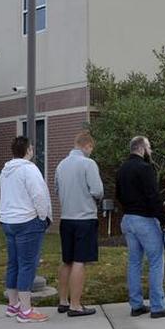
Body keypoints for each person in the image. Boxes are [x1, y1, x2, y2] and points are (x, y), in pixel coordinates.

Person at [116, 135, 165, 318]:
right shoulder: (145, 168)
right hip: (145, 220)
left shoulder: (122, 169)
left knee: (134, 262)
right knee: (156, 261)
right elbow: (153, 197)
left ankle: (136, 305)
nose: (150, 151)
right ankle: (157, 306)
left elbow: (118, 194)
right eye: (149, 148)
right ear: (141, 148)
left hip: (128, 219)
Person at [0, 136, 53, 323]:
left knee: (13, 263)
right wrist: (42, 216)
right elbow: (39, 195)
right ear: (28, 150)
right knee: (27, 264)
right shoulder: (29, 170)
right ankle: (26, 310)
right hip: (27, 221)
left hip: (8, 220)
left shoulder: (5, 171)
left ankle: (13, 305)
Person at [54, 130, 104, 317]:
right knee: (79, 261)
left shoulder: (61, 165)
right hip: (84, 218)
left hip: (66, 218)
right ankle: (76, 305)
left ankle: (63, 301)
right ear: (87, 145)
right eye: (91, 149)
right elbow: (98, 190)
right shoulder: (88, 163)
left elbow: (56, 188)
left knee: (66, 260)